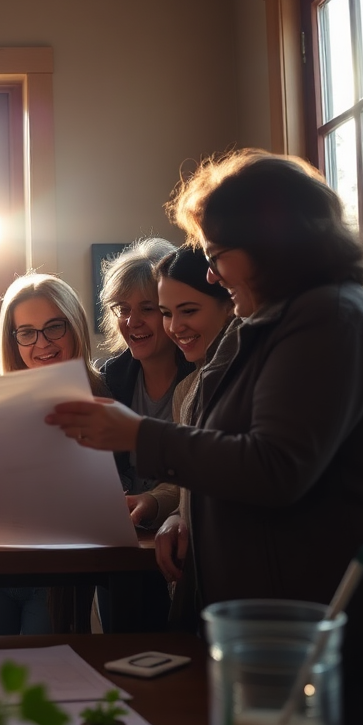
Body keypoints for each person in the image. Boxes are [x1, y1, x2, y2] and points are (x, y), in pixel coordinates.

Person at [48, 149, 363, 725]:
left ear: (271, 244)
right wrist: (186, 515)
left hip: (335, 622)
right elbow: (228, 452)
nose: (213, 272)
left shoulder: (329, 319)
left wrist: (138, 435)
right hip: (284, 624)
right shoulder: (275, 323)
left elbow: (276, 467)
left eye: (219, 253)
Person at [0, 272, 103, 636]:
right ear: (13, 339)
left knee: (48, 670)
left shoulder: (102, 392)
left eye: (54, 327)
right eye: (27, 333)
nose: (42, 343)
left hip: (59, 572)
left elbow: (118, 483)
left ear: (74, 325)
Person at [96, 238, 194, 631]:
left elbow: (199, 465)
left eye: (147, 309)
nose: (131, 321)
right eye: (122, 309)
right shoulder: (109, 378)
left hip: (182, 543)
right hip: (122, 547)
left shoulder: (202, 377)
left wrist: (155, 502)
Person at [140, 246, 233, 627]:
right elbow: (190, 481)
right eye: (166, 313)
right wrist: (176, 514)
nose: (175, 326)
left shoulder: (251, 377)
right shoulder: (187, 390)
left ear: (230, 305)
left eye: (189, 311)